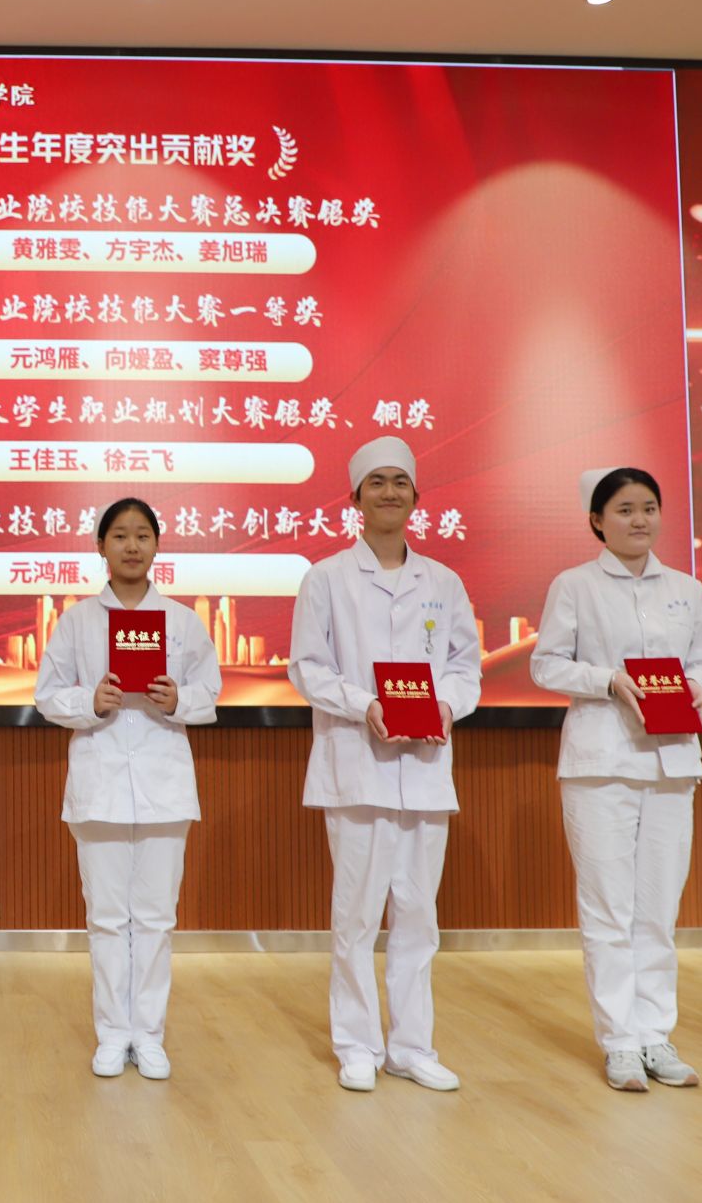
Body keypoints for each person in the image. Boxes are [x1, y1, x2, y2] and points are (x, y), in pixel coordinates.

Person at [289, 436, 480, 1094]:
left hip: (425, 766)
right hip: (357, 767)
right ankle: (357, 1044)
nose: (390, 492)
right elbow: (308, 668)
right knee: (357, 915)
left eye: (401, 481)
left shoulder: (444, 582)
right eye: (377, 482)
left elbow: (465, 668)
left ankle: (412, 1046)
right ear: (355, 498)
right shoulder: (326, 579)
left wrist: (445, 706)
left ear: (416, 497)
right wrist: (364, 704)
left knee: (419, 917)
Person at [531, 467, 702, 1091]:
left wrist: (693, 687)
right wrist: (609, 680)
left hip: (672, 762)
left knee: (659, 909)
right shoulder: (575, 585)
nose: (639, 520)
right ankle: (619, 1040)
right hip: (601, 763)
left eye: (648, 507)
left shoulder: (686, 589)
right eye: (623, 509)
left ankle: (655, 1034)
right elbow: (545, 665)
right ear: (597, 520)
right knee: (609, 908)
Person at [34, 498, 220, 1080]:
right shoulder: (77, 621)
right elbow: (47, 695)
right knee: (109, 918)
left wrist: (179, 700)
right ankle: (114, 1033)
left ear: (158, 545)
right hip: (101, 782)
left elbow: (209, 691)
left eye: (142, 535)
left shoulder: (183, 621)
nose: (132, 546)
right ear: (100, 547)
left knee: (157, 917)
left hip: (164, 783)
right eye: (119, 535)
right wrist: (88, 701)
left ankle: (150, 1034)